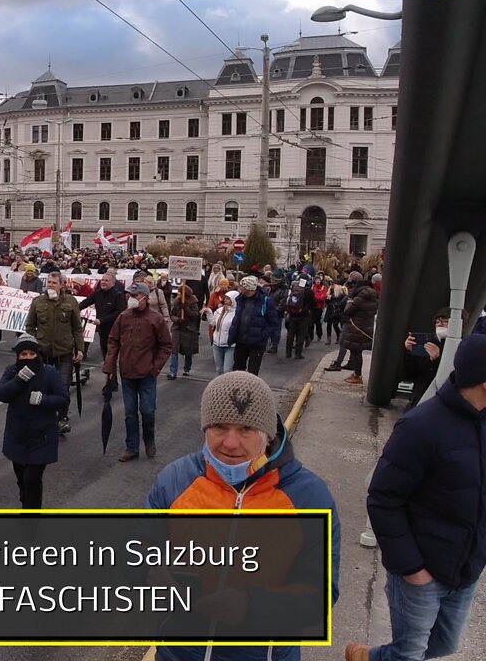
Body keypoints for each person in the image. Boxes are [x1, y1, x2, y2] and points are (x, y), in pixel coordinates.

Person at [148, 372, 341, 661]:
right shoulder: (174, 480)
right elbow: (137, 546)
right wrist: (147, 574)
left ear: (268, 434)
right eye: (219, 427)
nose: (230, 443)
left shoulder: (308, 498)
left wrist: (252, 607)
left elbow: (320, 595)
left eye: (246, 429)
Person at [351, 334, 486, 661]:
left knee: (444, 645)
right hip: (421, 570)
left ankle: (370, 657)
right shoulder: (421, 427)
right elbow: (383, 499)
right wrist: (412, 569)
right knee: (410, 653)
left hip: (466, 569)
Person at [0, 334, 67, 509]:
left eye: (32, 354)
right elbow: (1, 394)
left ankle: (31, 517)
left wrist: (44, 399)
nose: (28, 358)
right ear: (18, 356)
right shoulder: (12, 371)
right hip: (17, 436)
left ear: (37, 355)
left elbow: (63, 398)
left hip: (41, 437)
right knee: (21, 478)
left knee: (32, 478)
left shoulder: (49, 373)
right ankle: (25, 501)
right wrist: (20, 379)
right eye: (24, 354)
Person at [103, 283, 172, 462]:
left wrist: (154, 367)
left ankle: (149, 441)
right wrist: (109, 366)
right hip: (127, 373)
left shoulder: (155, 319)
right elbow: (113, 341)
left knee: (148, 411)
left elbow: (166, 346)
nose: (131, 298)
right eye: (129, 295)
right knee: (130, 413)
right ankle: (132, 447)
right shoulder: (123, 317)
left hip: (147, 375)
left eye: (135, 295)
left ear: (145, 297)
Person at [24, 271, 83, 435]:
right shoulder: (38, 302)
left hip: (64, 352)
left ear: (62, 285)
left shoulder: (70, 302)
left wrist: (80, 349)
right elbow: (30, 325)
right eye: (49, 282)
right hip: (43, 351)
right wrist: (33, 343)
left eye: (54, 283)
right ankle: (44, 418)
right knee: (42, 386)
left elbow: (77, 328)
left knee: (62, 386)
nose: (50, 285)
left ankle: (62, 419)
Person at [334, 271, 379, 385]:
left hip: (357, 327)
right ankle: (356, 373)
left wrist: (350, 300)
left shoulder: (361, 296)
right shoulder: (372, 296)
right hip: (365, 326)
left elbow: (348, 310)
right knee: (357, 351)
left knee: (356, 352)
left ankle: (358, 375)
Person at [228, 276, 279, 377]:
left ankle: (250, 391)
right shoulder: (240, 300)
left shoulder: (265, 301)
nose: (239, 288)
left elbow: (274, 322)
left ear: (249, 288)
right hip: (241, 341)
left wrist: (263, 335)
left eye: (242, 286)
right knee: (237, 371)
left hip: (257, 343)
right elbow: (237, 318)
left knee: (253, 373)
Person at [401, 308, 450, 410]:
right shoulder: (429, 342)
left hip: (443, 403)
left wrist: (437, 359)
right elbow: (411, 374)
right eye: (437, 322)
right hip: (420, 400)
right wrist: (409, 352)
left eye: (445, 321)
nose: (440, 324)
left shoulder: (462, 346)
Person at [79, 271, 129, 365]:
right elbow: (86, 302)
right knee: (105, 354)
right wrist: (75, 309)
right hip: (102, 330)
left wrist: (102, 320)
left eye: (106, 280)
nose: (103, 282)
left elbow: (119, 312)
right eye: (102, 280)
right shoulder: (97, 293)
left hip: (114, 329)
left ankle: (112, 376)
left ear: (113, 283)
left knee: (111, 355)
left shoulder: (118, 295)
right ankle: (108, 375)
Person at [167, 283, 200, 380]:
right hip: (178, 328)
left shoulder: (193, 302)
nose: (178, 295)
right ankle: (173, 371)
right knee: (174, 349)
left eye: (179, 293)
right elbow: (172, 315)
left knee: (188, 350)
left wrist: (185, 308)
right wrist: (178, 320)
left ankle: (187, 368)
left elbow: (194, 316)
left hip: (188, 328)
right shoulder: (177, 301)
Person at [203, 290, 239, 375]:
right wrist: (209, 313)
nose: (225, 300)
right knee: (219, 370)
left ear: (234, 300)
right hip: (217, 345)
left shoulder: (237, 313)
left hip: (230, 346)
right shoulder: (219, 310)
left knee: (227, 370)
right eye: (225, 298)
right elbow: (213, 323)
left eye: (228, 299)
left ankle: (227, 387)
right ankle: (218, 387)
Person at [282, 277, 314, 360]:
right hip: (304, 315)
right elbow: (314, 303)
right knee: (301, 335)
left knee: (290, 334)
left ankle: (288, 353)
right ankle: (298, 353)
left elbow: (287, 300)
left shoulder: (293, 288)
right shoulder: (308, 291)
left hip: (292, 315)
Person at [324, 277, 349, 345]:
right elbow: (326, 301)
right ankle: (328, 338)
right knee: (329, 324)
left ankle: (339, 335)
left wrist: (332, 298)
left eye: (333, 284)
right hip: (330, 309)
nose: (332, 285)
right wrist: (328, 298)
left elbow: (343, 300)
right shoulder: (330, 290)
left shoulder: (342, 292)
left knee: (335, 324)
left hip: (337, 310)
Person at [311, 275, 329, 343]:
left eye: (319, 280)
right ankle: (311, 336)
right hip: (312, 307)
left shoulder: (323, 287)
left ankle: (319, 335)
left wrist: (315, 296)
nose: (318, 281)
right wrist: (318, 296)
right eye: (316, 280)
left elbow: (323, 297)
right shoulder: (312, 287)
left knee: (317, 322)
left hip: (319, 307)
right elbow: (311, 296)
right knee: (311, 322)